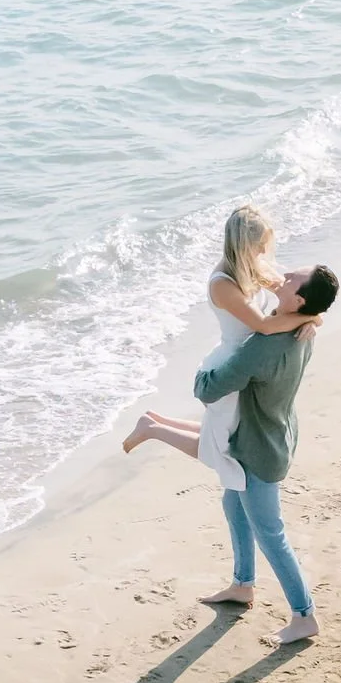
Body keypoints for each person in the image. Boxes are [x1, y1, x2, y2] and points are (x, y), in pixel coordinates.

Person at [189, 261, 340, 648]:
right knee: (233, 505)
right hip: (276, 435)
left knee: (271, 535)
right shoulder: (302, 329)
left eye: (293, 279)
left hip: (258, 451)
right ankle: (242, 585)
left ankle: (304, 616)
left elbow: (207, 390)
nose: (285, 275)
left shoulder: (263, 346)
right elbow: (303, 309)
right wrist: (315, 317)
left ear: (299, 300)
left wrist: (204, 365)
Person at [123, 205, 314, 479]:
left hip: (247, 360)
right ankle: (153, 430)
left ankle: (155, 421)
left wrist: (312, 315)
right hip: (231, 364)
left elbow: (288, 291)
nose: (262, 253)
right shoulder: (222, 284)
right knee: (222, 446)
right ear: (242, 244)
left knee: (227, 432)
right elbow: (263, 325)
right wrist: (307, 319)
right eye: (258, 246)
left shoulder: (250, 267)